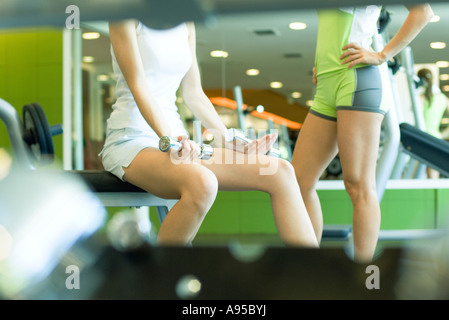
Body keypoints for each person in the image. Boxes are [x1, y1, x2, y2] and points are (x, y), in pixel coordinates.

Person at [100, 19, 318, 248]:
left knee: (280, 171)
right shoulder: (126, 17)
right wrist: (169, 138)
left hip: (178, 143)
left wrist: (228, 139)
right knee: (203, 183)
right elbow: (138, 85)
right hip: (132, 139)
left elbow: (193, 93)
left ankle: (310, 276)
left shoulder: (185, 23)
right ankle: (159, 278)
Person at [291, 4, 434, 262]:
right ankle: (311, 267)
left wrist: (382, 55)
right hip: (326, 84)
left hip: (357, 80)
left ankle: (367, 278)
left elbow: (423, 11)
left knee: (358, 185)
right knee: (298, 183)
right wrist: (321, 64)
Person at [416, 67, 449, 179]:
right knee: (432, 175)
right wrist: (442, 134)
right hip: (436, 138)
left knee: (421, 175)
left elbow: (416, 119)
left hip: (423, 138)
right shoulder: (443, 99)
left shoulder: (421, 98)